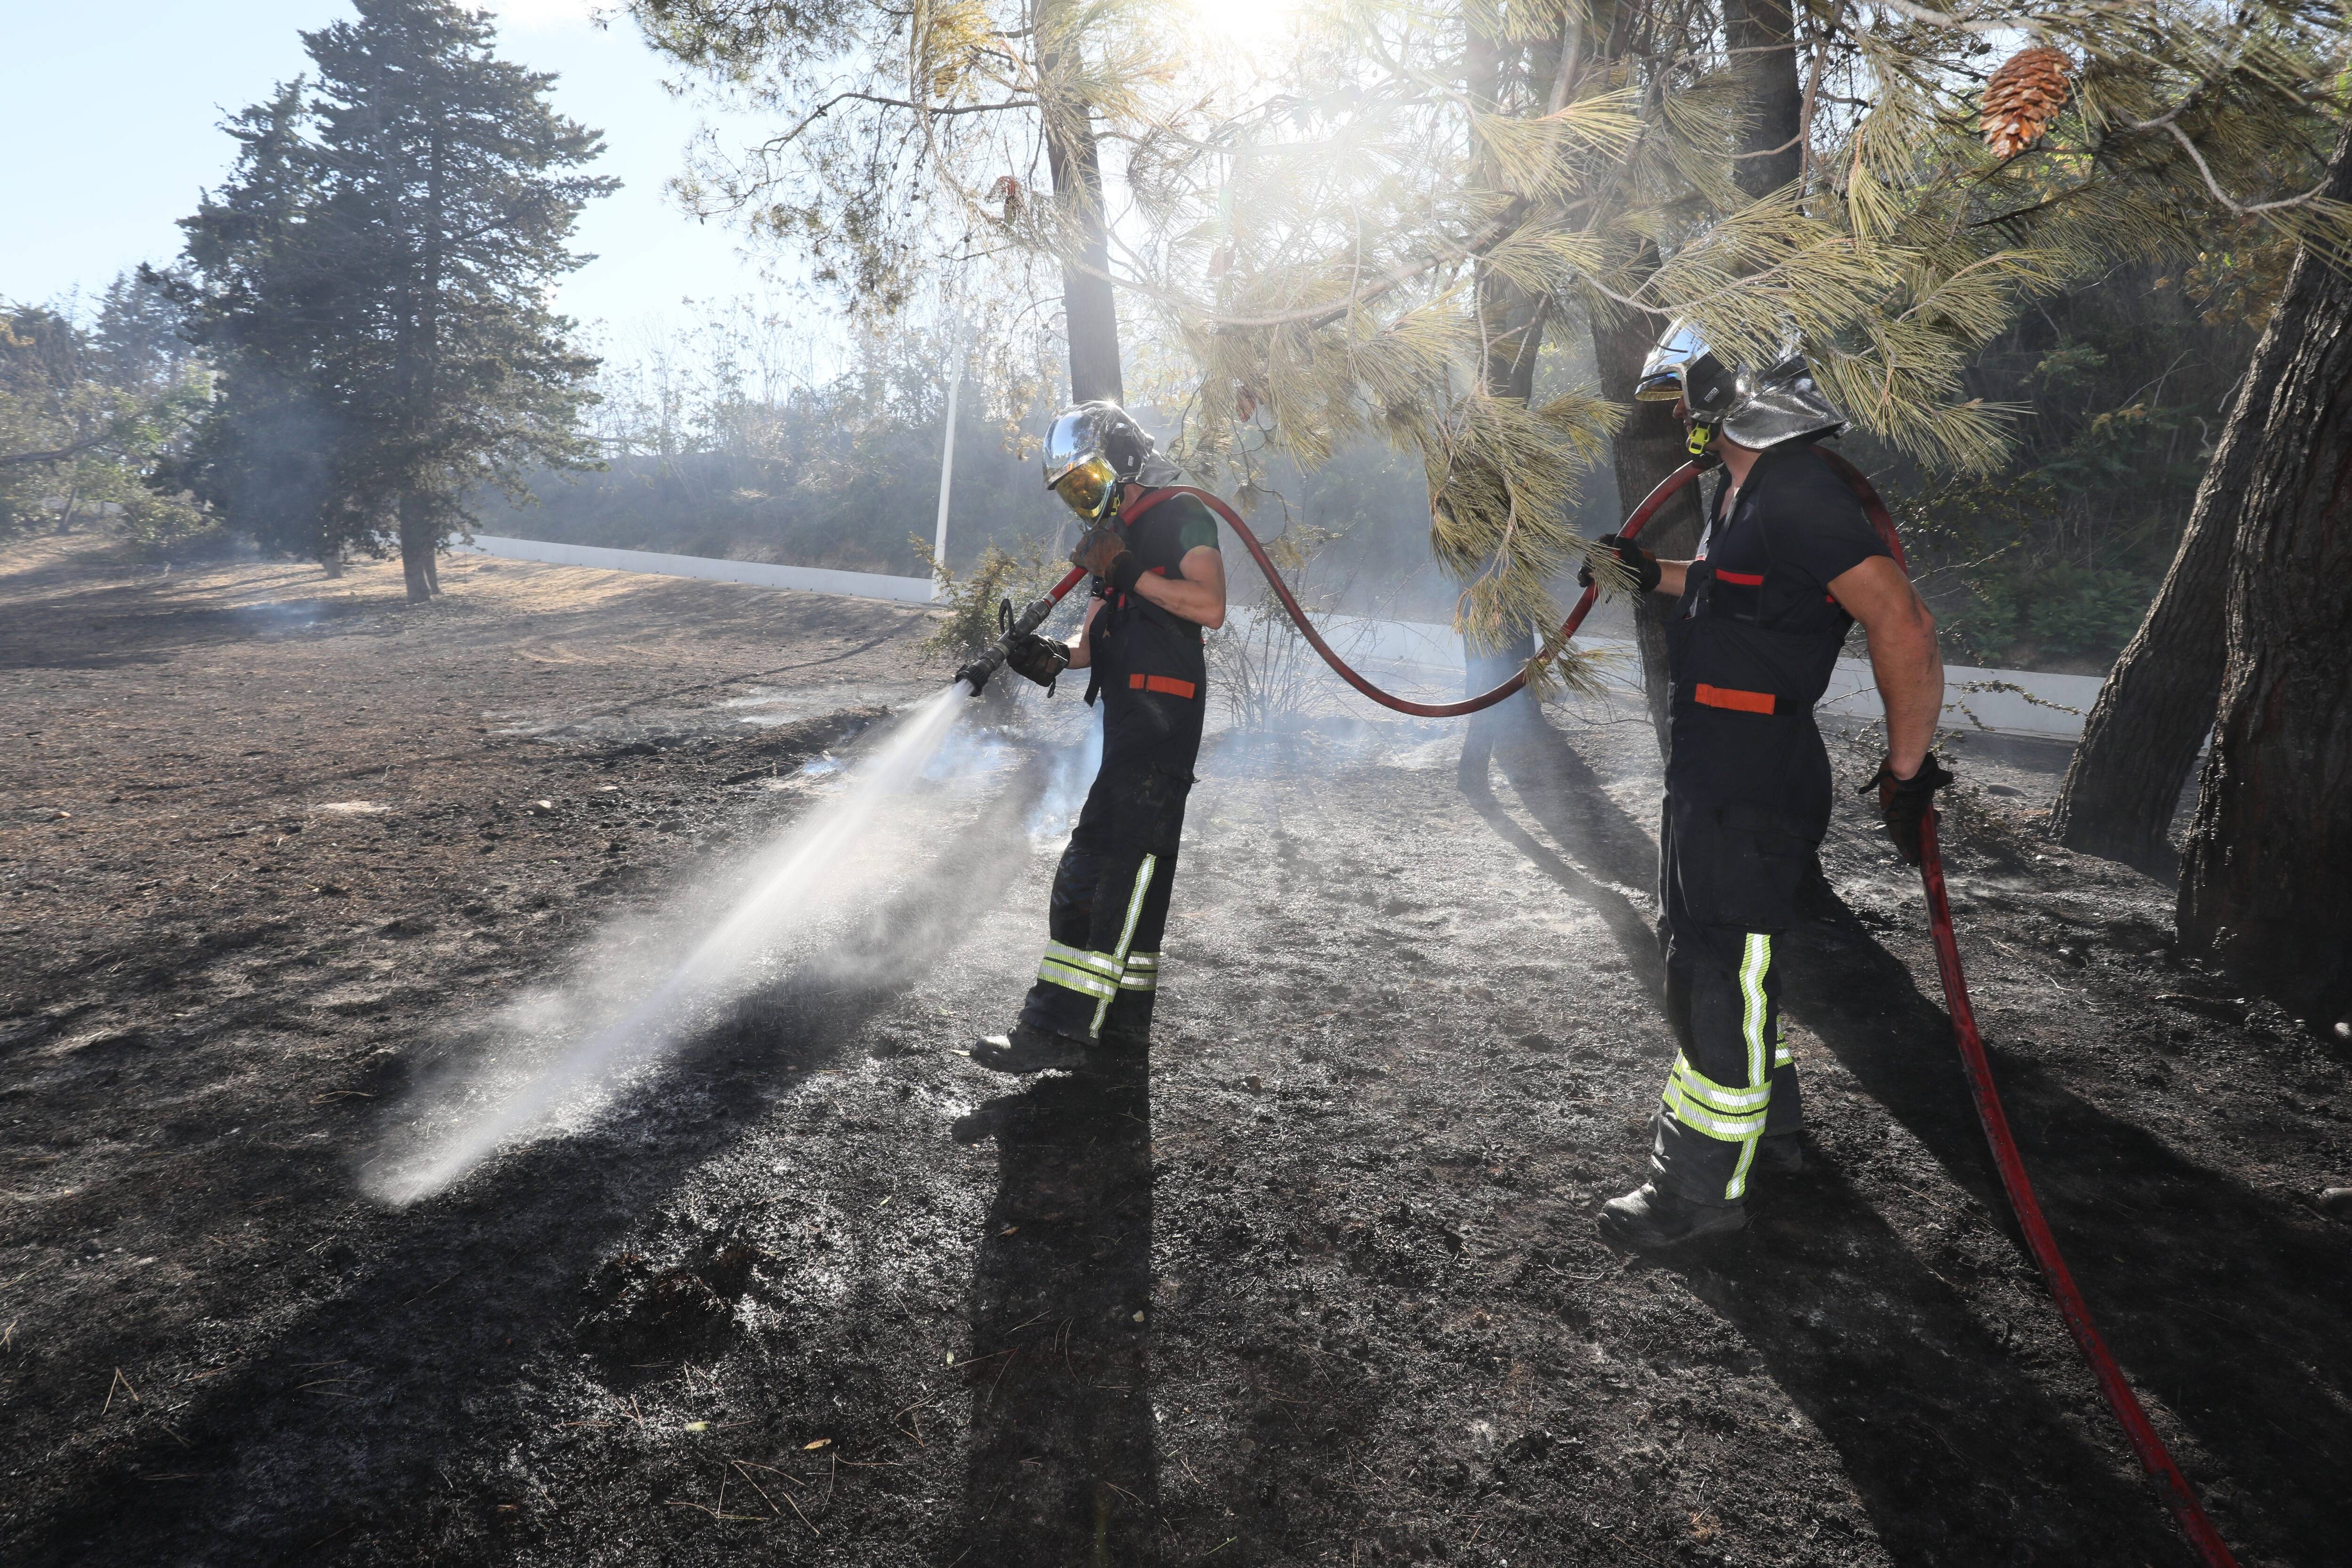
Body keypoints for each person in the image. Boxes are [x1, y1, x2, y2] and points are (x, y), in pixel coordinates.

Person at [1588, 324, 1950, 1249]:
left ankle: (1695, 1190)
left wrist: (1909, 772)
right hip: (1720, 757)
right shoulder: (1743, 496)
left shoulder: (1796, 492)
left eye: (1683, 401)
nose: (1680, 424)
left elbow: (1901, 621)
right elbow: (1728, 591)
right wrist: (1642, 573)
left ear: (1725, 396)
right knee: (1725, 956)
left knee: (1716, 964)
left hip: (1749, 764)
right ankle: (1773, 1129)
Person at [970, 402, 1228, 1074]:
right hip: (1130, 722)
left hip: (1166, 718)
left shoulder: (1181, 513)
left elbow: (1210, 605)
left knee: (1100, 868)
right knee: (1134, 871)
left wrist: (1126, 571)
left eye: (1088, 483)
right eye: (1075, 494)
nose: (1086, 504)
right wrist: (1049, 654)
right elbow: (1089, 641)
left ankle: (1055, 1028)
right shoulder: (1110, 540)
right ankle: (1119, 1035)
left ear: (1123, 457)